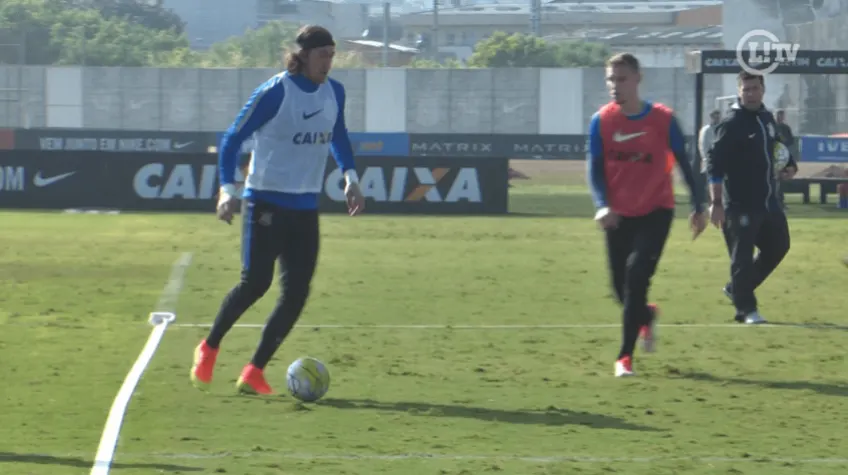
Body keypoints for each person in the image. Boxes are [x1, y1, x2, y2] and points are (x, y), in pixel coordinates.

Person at [190, 25, 366, 395]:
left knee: (296, 293)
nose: (329, 63)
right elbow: (232, 139)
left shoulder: (334, 92)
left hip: (304, 207)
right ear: (303, 55)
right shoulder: (275, 92)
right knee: (255, 283)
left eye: (333, 55)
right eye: (323, 55)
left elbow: (339, 135)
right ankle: (209, 346)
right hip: (265, 201)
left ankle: (254, 370)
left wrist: (350, 177)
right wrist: (227, 190)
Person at [587, 52, 706, 378]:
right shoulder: (601, 120)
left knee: (637, 276)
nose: (615, 85)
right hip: (618, 216)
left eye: (621, 79)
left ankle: (624, 358)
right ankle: (646, 316)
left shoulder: (663, 119)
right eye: (611, 79)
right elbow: (595, 170)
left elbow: (685, 164)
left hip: (656, 211)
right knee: (620, 291)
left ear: (638, 79)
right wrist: (602, 204)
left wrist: (699, 205)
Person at [706, 71, 797, 325]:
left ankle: (737, 288)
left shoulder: (766, 118)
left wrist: (790, 165)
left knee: (779, 246)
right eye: (746, 89)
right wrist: (716, 203)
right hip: (739, 205)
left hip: (769, 203)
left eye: (755, 88)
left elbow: (776, 146)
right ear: (738, 92)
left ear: (763, 90)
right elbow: (714, 165)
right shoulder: (732, 123)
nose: (751, 93)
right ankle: (746, 310)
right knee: (742, 257)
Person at [774, 109, 796, 209]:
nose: (780, 117)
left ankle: (780, 201)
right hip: (773, 156)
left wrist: (784, 143)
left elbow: (791, 140)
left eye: (782, 115)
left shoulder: (786, 128)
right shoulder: (772, 126)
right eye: (779, 115)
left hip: (782, 157)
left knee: (781, 179)